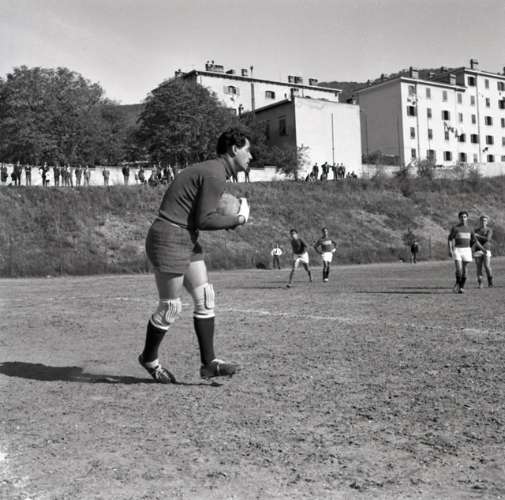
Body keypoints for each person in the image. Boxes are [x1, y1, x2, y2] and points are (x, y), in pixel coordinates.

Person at [139, 127, 252, 383]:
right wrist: (238, 219)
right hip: (169, 237)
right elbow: (205, 219)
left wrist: (231, 217)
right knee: (170, 307)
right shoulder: (215, 173)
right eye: (248, 150)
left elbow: (200, 216)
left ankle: (209, 364)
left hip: (185, 235)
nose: (251, 156)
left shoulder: (214, 171)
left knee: (205, 297)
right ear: (234, 149)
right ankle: (149, 358)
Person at [448, 211, 484, 294]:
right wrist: (450, 249)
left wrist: (482, 249)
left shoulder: (470, 229)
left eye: (464, 217)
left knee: (465, 269)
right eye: (461, 217)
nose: (463, 218)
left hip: (467, 250)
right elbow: (450, 239)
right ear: (459, 218)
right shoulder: (455, 228)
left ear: (467, 218)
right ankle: (457, 283)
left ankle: (461, 287)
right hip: (457, 249)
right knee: (459, 269)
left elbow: (475, 241)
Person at [473, 215, 494, 288]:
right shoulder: (475, 230)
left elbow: (488, 239)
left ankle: (490, 282)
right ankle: (480, 283)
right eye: (482, 220)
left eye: (485, 220)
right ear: (480, 221)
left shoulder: (489, 230)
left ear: (487, 222)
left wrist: (478, 236)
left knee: (487, 266)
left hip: (486, 249)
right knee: (479, 267)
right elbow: (474, 240)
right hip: (477, 250)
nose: (483, 222)